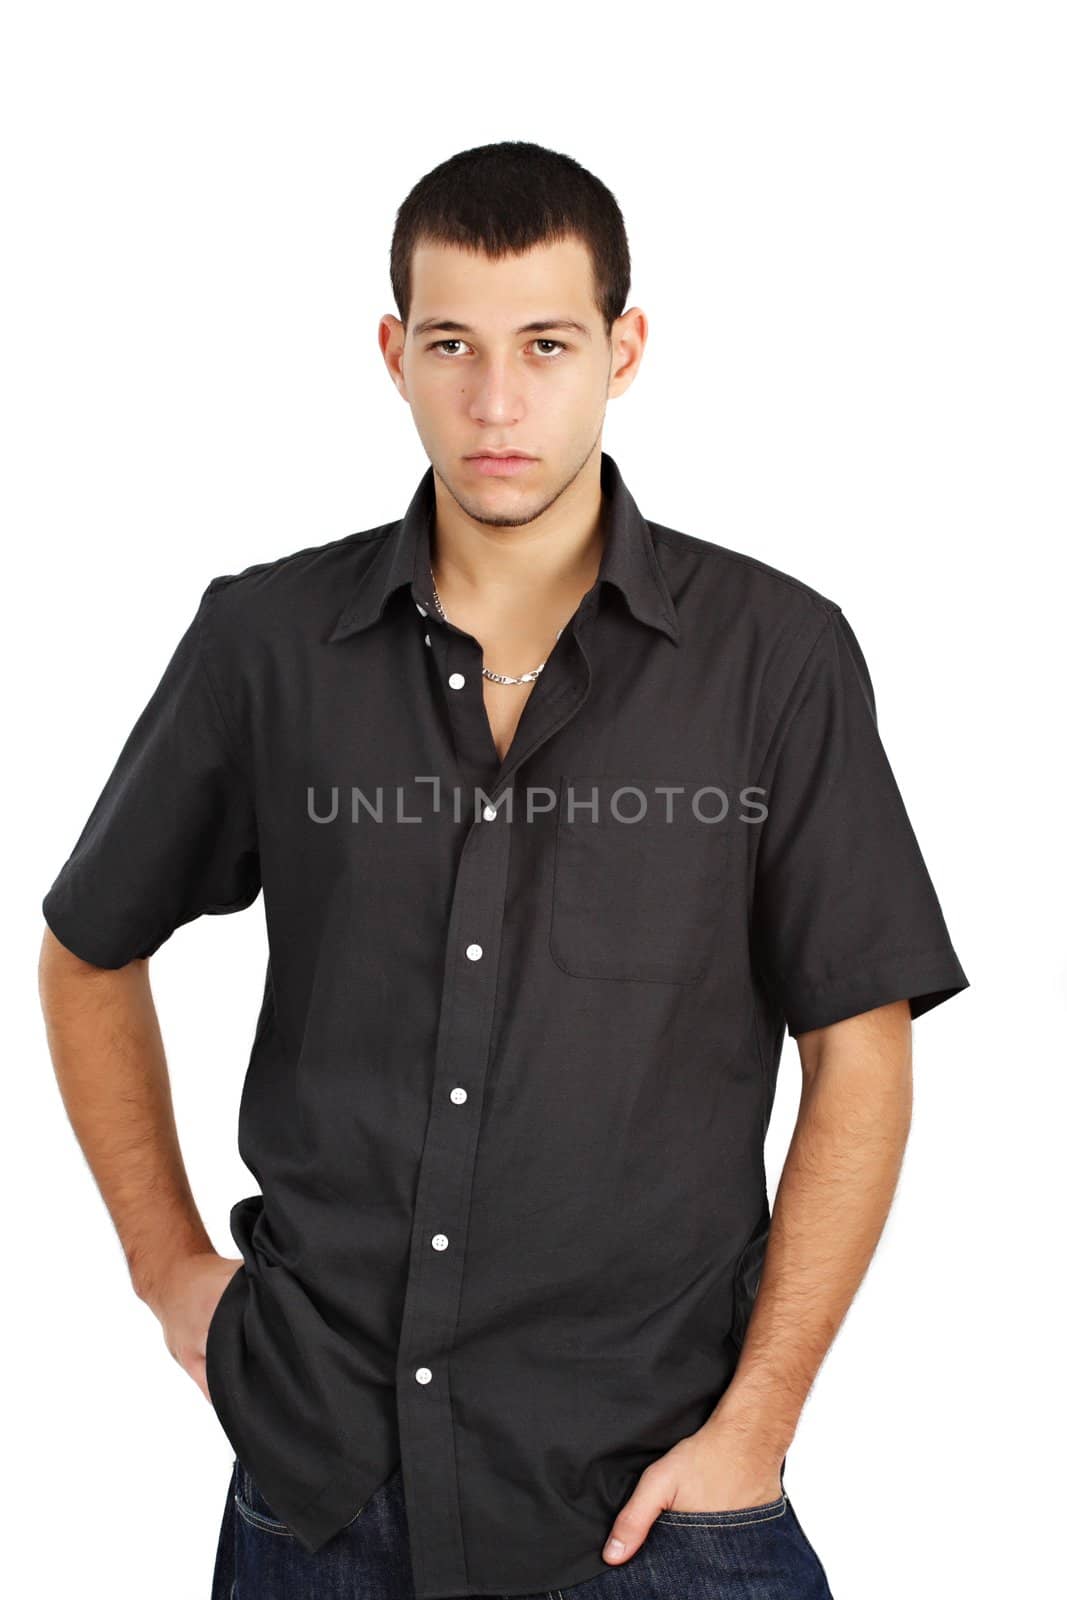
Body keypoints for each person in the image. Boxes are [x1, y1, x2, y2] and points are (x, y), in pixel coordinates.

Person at [38, 139, 969, 1600]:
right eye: (454, 346)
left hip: (660, 1500)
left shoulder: (776, 658)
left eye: (546, 344)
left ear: (624, 349)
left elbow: (861, 1047)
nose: (496, 402)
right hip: (322, 1490)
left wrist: (762, 1423)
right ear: (395, 353)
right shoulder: (266, 644)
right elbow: (88, 946)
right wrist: (169, 1276)